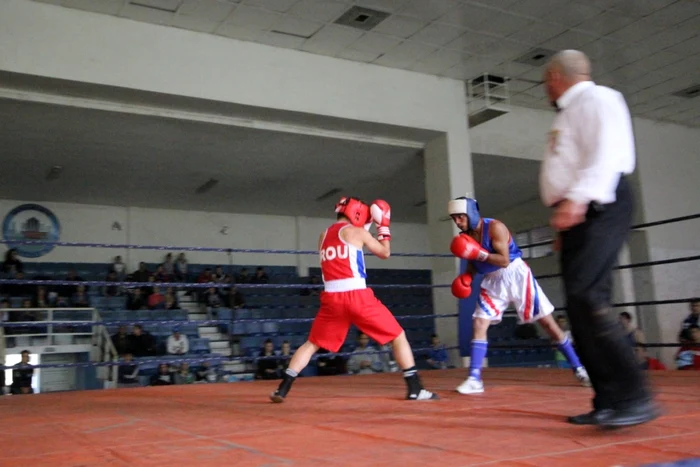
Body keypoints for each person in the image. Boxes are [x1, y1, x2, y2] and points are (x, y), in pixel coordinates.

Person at [539, 49, 657, 427]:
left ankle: (636, 395)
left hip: (600, 202)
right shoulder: (569, 112)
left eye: (546, 80)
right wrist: (568, 216)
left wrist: (577, 200)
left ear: (556, 76)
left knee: (590, 298)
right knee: (576, 305)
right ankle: (608, 399)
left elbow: (606, 154)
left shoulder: (598, 98)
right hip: (580, 211)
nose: (545, 88)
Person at [270, 196, 438, 402]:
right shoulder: (356, 232)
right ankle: (415, 388)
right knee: (398, 336)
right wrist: (383, 225)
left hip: (331, 299)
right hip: (357, 295)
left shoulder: (323, 235)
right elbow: (385, 252)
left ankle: (282, 388)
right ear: (357, 214)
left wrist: (366, 226)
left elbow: (345, 247)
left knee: (312, 344)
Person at [447, 196, 590, 395]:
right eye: (454, 218)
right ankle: (474, 378)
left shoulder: (496, 228)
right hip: (492, 280)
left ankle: (579, 368)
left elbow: (504, 260)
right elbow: (473, 263)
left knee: (548, 324)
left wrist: (479, 253)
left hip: (516, 275)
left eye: (460, 217)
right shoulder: (466, 237)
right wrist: (467, 278)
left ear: (471, 213)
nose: (457, 222)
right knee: (479, 323)